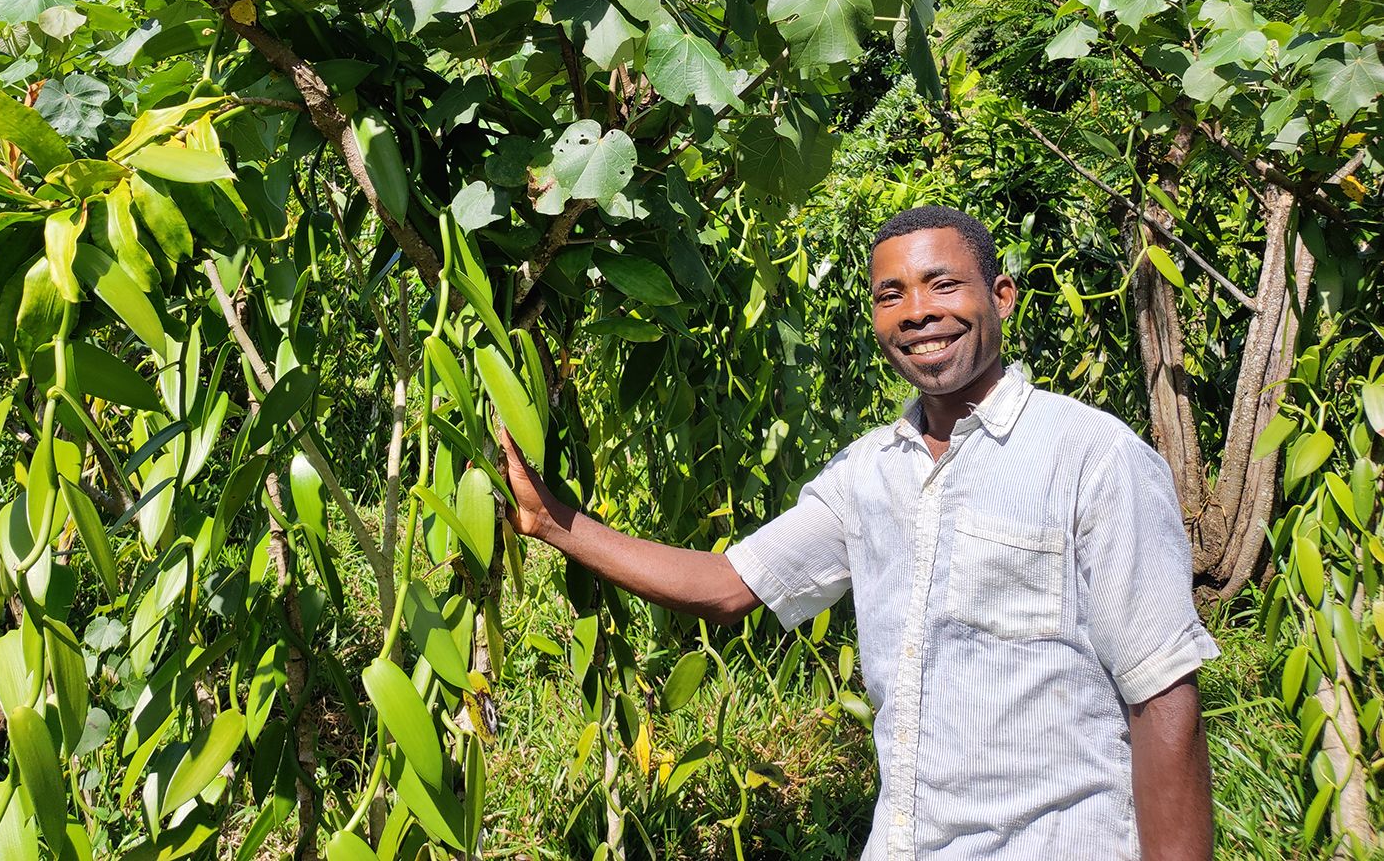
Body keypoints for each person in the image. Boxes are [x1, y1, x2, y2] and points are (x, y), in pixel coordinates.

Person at [499, 205, 1218, 861]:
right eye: (890, 295)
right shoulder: (866, 474)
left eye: (943, 285)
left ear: (1002, 297)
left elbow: (1162, 696)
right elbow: (727, 586)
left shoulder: (1094, 458)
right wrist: (549, 520)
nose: (917, 312)